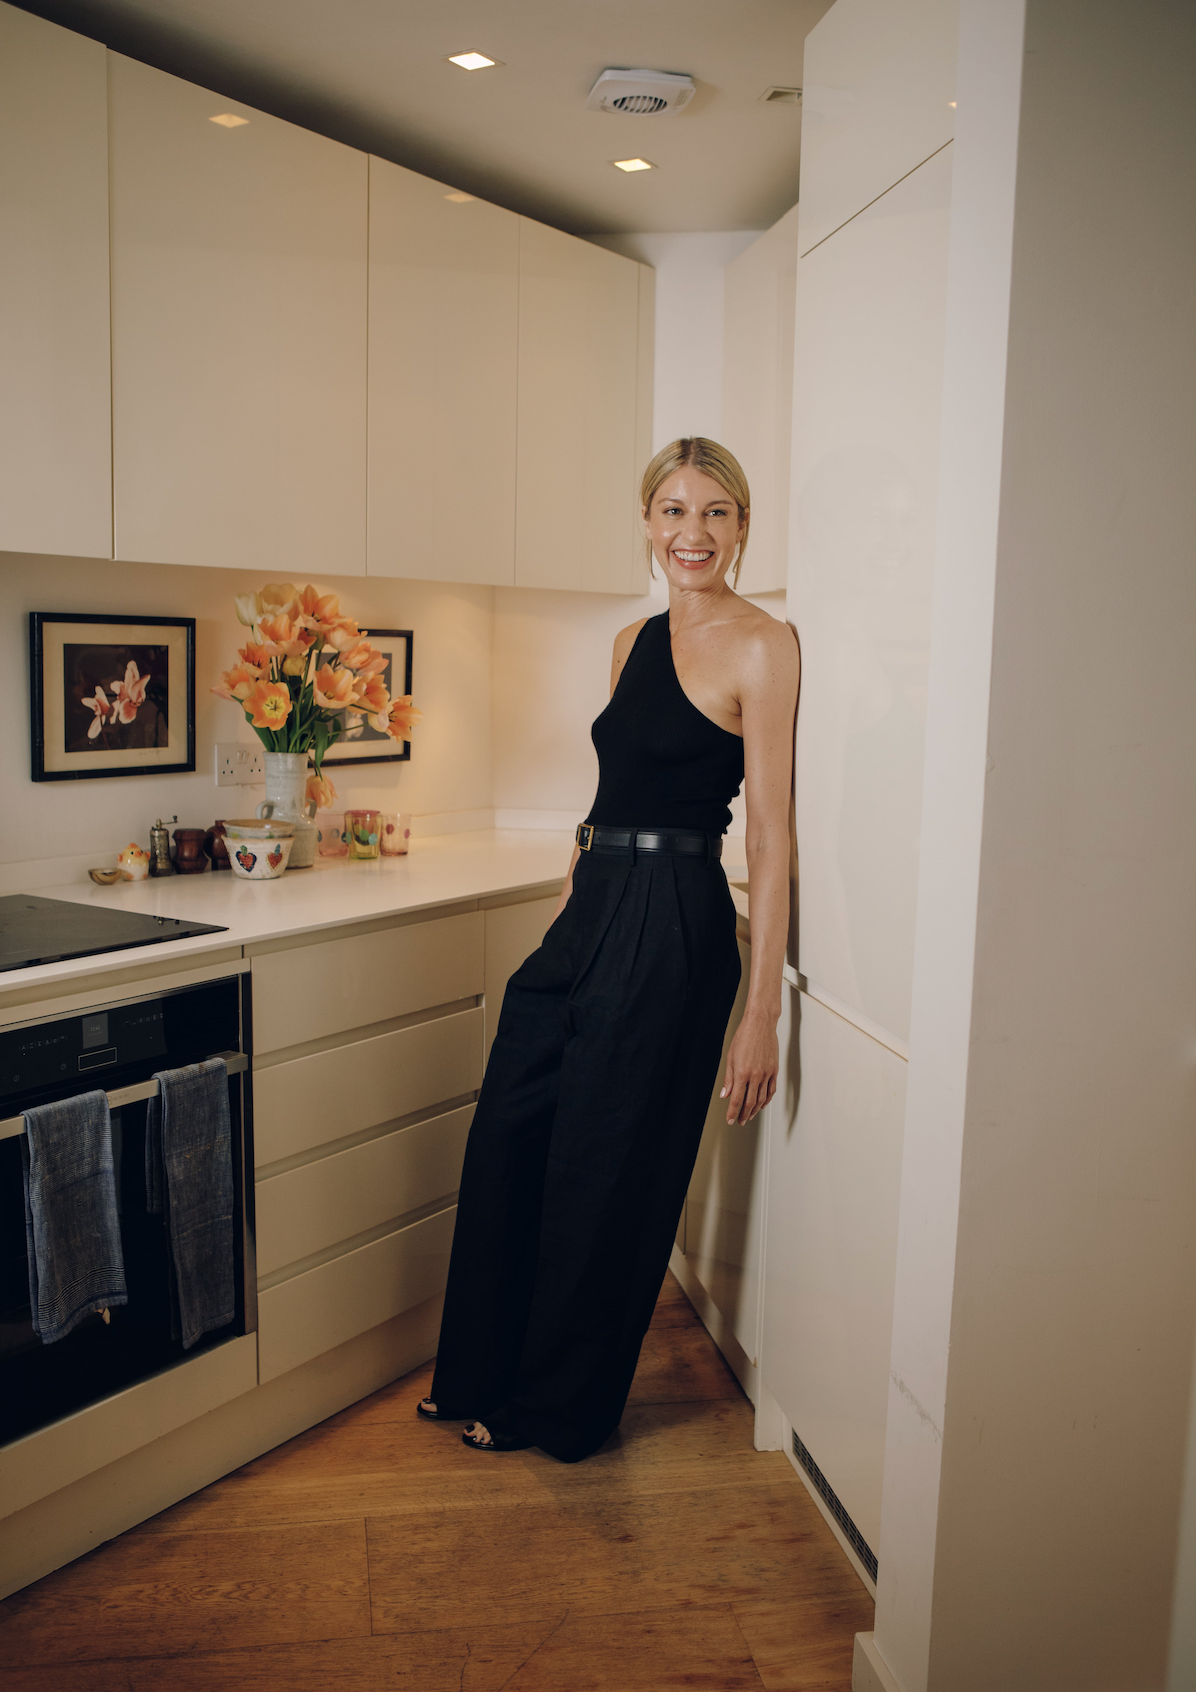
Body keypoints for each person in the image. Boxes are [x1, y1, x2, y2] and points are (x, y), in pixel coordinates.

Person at [418, 437, 800, 1461]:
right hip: (593, 902)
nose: (692, 533)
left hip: (674, 916)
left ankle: (556, 1408)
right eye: (674, 510)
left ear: (742, 527)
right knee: (511, 1132)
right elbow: (614, 787)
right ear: (646, 522)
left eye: (715, 512)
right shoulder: (633, 640)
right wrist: (573, 885)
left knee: (605, 1167)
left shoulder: (765, 645)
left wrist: (760, 1010)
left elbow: (770, 834)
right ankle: (479, 1370)